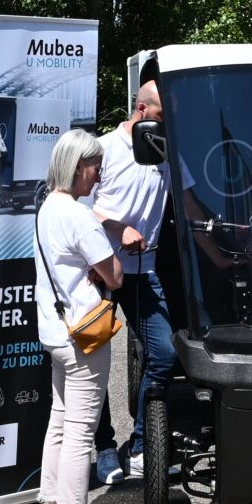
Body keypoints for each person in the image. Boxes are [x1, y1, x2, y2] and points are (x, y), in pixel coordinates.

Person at [33, 128, 126, 504]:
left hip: (55, 334)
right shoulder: (78, 214)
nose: (99, 175)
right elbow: (115, 276)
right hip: (84, 335)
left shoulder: (46, 208)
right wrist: (104, 270)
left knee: (60, 421)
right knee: (80, 432)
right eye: (95, 167)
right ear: (78, 166)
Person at [89, 80, 174, 480]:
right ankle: (104, 447)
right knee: (94, 362)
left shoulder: (168, 149)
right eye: (161, 114)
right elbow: (76, 208)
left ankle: (140, 446)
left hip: (146, 273)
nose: (167, 121)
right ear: (141, 109)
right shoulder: (103, 149)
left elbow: (191, 201)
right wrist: (117, 227)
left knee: (165, 354)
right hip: (100, 272)